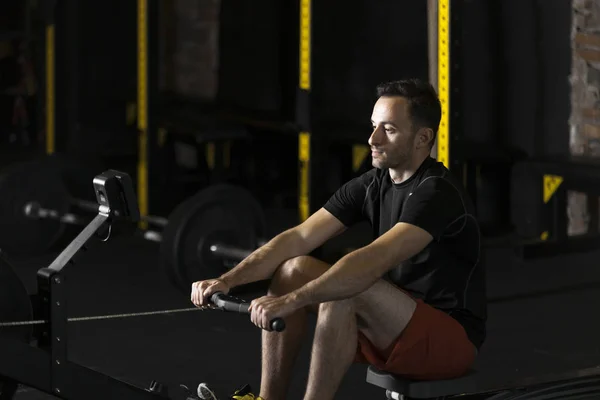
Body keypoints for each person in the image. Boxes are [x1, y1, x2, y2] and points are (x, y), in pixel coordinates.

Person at [191, 78, 487, 400]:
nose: (372, 139)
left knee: (347, 287)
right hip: (393, 322)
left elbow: (373, 260)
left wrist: (291, 302)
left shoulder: (436, 193)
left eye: (388, 130)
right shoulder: (372, 185)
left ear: (423, 138)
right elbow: (299, 237)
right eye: (373, 126)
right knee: (294, 268)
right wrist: (227, 280)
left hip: (448, 340)